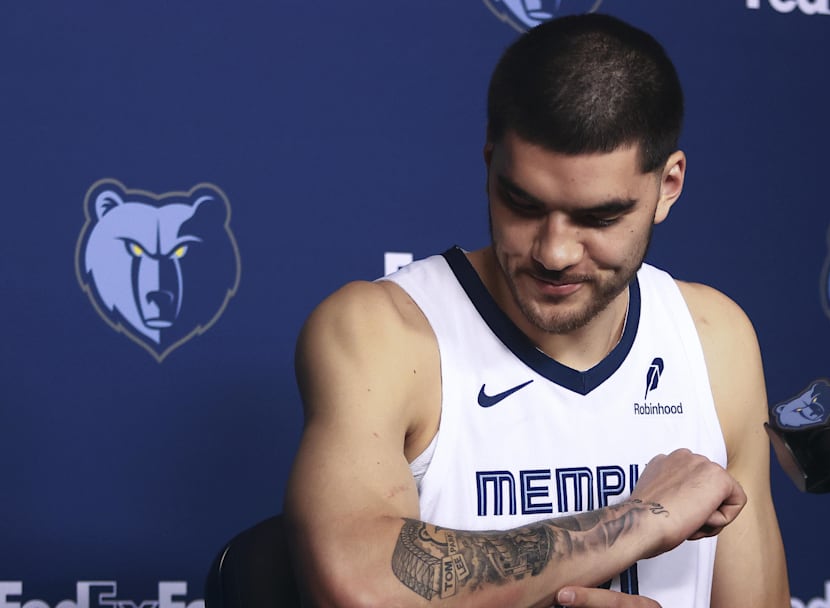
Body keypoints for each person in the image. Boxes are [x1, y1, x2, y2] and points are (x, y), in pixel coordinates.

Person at [284, 13, 789, 608]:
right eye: (523, 204)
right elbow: (358, 584)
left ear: (668, 186)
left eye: (599, 218)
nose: (554, 252)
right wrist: (638, 519)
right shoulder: (383, 332)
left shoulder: (713, 338)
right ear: (490, 165)